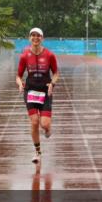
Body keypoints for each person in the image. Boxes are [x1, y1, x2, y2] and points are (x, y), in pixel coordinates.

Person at [16, 28, 59, 164]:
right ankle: (38, 152)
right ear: (29, 38)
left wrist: (52, 83)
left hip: (46, 92)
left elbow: (56, 73)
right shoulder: (24, 56)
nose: (35, 38)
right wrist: (19, 84)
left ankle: (48, 129)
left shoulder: (50, 55)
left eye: (38, 36)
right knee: (34, 122)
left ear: (42, 38)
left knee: (44, 124)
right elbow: (18, 76)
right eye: (33, 35)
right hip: (30, 92)